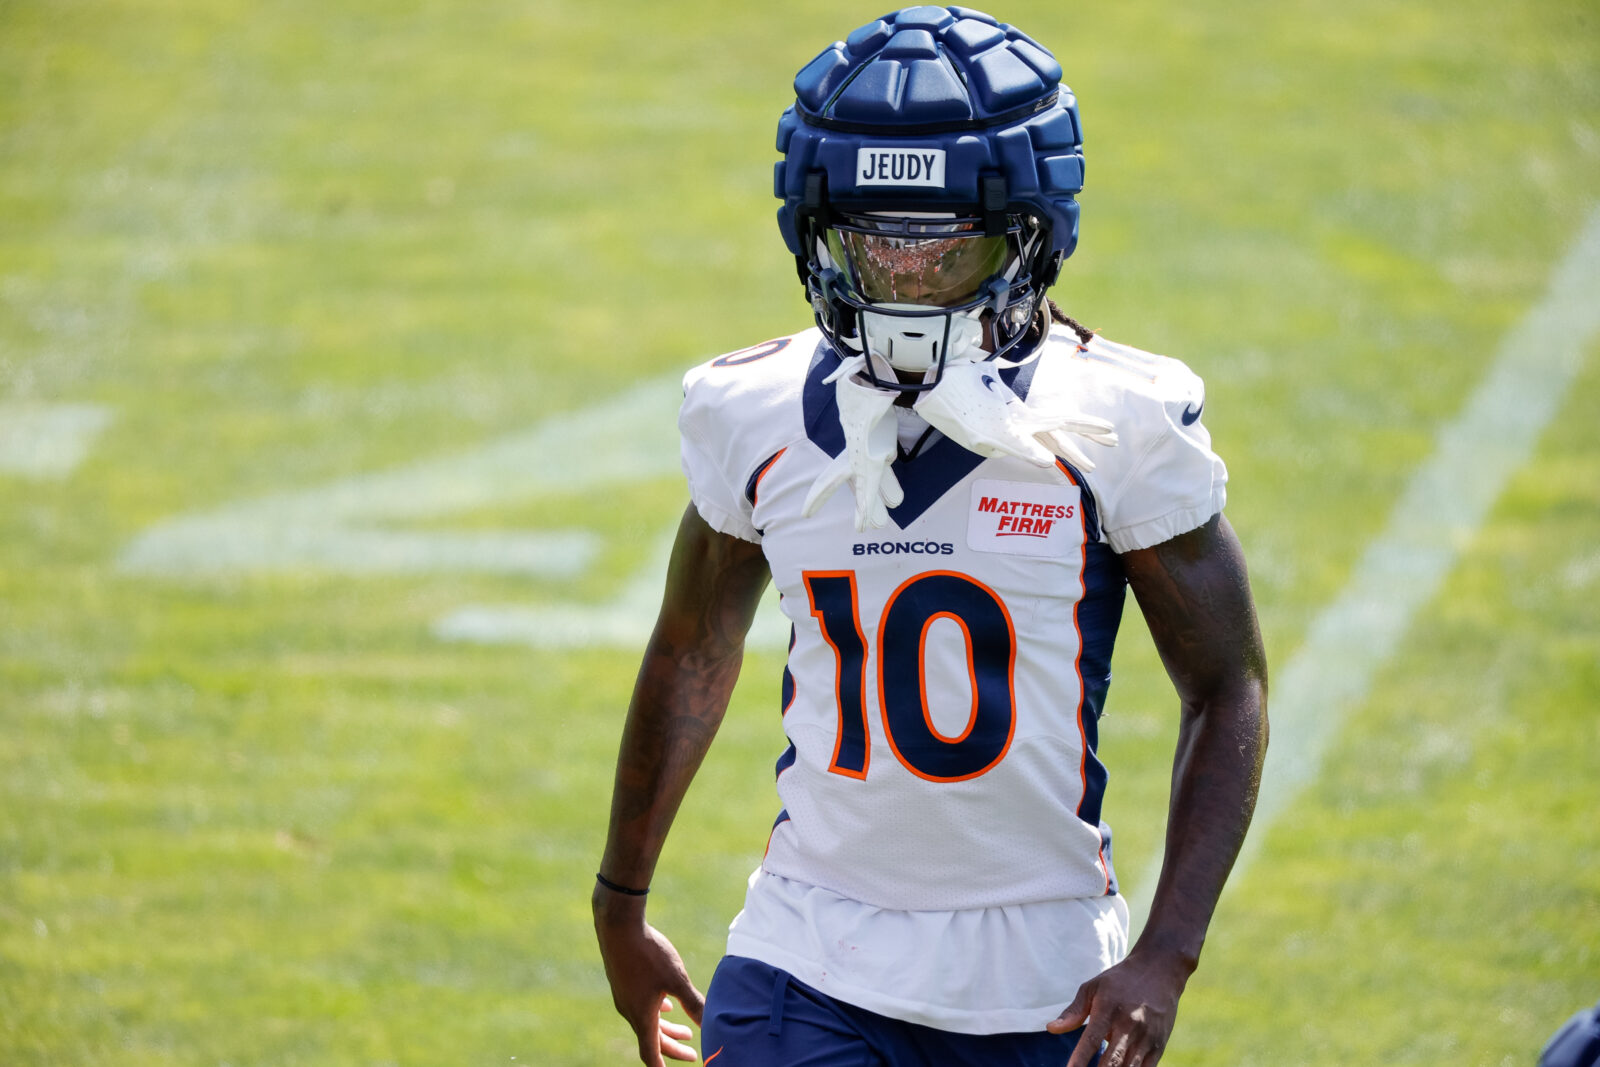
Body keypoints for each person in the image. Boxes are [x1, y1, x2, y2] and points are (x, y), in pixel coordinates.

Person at [592, 7, 1268, 1066]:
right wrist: (619, 899)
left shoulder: (1116, 423)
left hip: (1040, 973)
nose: (903, 280)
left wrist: (1165, 953)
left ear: (1030, 236)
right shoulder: (754, 410)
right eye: (873, 245)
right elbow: (692, 643)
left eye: (945, 251)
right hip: (809, 943)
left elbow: (1227, 686)